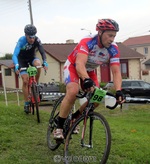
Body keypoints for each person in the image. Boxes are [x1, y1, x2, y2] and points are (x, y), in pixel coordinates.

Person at [54, 18, 125, 140]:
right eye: (109, 35)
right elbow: (80, 64)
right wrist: (86, 80)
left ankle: (75, 117)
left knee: (97, 97)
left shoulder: (113, 49)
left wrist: (118, 90)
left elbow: (116, 71)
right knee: (73, 91)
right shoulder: (87, 41)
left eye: (114, 36)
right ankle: (58, 127)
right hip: (73, 65)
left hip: (90, 70)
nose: (112, 39)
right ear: (100, 32)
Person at [12, 24, 48, 113]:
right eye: (30, 37)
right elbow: (15, 55)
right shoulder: (21, 40)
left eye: (33, 37)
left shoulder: (37, 40)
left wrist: (45, 61)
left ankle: (36, 82)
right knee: (25, 81)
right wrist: (16, 65)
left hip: (31, 58)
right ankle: (26, 103)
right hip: (22, 60)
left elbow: (42, 52)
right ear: (26, 35)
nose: (32, 39)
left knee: (38, 63)